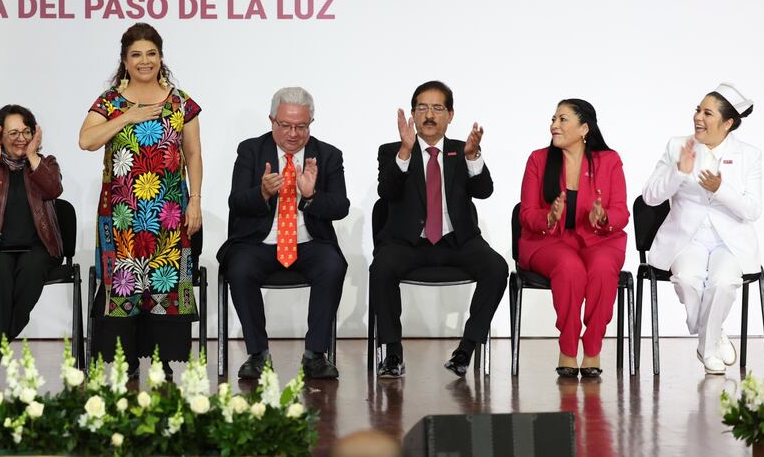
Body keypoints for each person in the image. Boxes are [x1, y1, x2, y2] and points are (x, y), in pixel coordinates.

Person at [78, 23, 203, 374]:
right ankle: (126, 361)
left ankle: (163, 362)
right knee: (125, 287)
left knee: (165, 285)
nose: (144, 61)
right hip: (123, 217)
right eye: (136, 55)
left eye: (151, 54)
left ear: (161, 58)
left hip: (169, 214)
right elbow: (86, 141)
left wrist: (195, 200)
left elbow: (193, 154)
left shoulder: (180, 102)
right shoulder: (111, 102)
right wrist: (127, 116)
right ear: (124, 60)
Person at [371, 80, 508, 378]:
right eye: (422, 108)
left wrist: (473, 157)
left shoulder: (462, 150)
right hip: (408, 242)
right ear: (412, 114)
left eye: (437, 108)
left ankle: (465, 350)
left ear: (450, 115)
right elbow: (387, 192)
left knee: (497, 267)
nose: (429, 115)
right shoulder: (392, 151)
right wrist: (405, 151)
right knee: (381, 268)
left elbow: (484, 191)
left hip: (457, 241)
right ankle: (393, 353)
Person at [221, 86, 349, 380]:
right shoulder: (251, 151)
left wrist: (312, 195)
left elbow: (341, 206)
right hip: (258, 241)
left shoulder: (328, 155)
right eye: (286, 125)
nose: (293, 134)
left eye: (301, 126)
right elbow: (236, 201)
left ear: (310, 123)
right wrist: (263, 193)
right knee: (239, 268)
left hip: (309, 242)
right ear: (272, 120)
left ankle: (315, 354)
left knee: (333, 265)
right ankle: (258, 354)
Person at [642, 83, 759, 374]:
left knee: (723, 282)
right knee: (686, 278)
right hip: (687, 239)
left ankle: (706, 350)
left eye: (708, 113)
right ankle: (713, 333)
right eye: (698, 110)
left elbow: (752, 210)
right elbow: (650, 197)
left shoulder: (749, 155)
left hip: (729, 242)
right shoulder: (677, 146)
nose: (698, 117)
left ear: (727, 123)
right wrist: (678, 171)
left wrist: (721, 189)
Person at [518, 98, 628, 378]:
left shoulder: (609, 161)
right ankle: (567, 348)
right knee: (570, 268)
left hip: (598, 240)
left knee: (602, 268)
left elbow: (621, 212)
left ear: (584, 128)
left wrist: (603, 217)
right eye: (553, 119)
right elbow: (526, 214)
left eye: (562, 119)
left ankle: (592, 349)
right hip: (548, 242)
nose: (554, 125)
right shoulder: (538, 159)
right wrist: (549, 217)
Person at [0, 104, 64, 378]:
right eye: (13, 133)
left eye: (26, 132)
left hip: (38, 246)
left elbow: (54, 189)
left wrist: (32, 157)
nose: (21, 138)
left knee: (31, 272)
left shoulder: (46, 163)